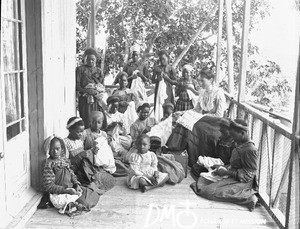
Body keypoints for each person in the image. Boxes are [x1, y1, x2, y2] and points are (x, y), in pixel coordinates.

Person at [190, 119, 259, 212]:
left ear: (242, 133)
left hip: (243, 181)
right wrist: (221, 167)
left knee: (208, 191)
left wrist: (227, 172)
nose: (233, 139)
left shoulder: (250, 150)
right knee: (202, 179)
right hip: (234, 175)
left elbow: (249, 174)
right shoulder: (240, 143)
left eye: (234, 136)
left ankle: (249, 198)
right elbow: (236, 164)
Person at [166, 68, 227, 167]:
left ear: (210, 80)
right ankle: (174, 150)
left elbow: (219, 115)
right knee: (184, 118)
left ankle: (178, 149)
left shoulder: (218, 93)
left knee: (193, 124)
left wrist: (201, 117)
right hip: (204, 119)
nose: (200, 83)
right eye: (199, 80)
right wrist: (182, 112)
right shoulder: (202, 92)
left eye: (203, 80)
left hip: (216, 123)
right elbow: (196, 110)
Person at [42, 136, 100, 210]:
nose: (55, 152)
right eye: (52, 149)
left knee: (93, 194)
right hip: (59, 192)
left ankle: (77, 201)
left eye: (57, 149)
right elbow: (49, 186)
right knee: (84, 203)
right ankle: (74, 204)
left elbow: (71, 174)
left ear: (62, 149)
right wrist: (66, 190)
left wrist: (76, 184)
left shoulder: (64, 160)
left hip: (71, 188)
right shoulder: (48, 164)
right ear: (48, 150)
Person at [64, 117, 115, 192]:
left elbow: (86, 155)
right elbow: (67, 163)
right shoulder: (65, 142)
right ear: (70, 130)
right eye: (78, 132)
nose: (81, 134)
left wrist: (92, 151)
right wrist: (81, 155)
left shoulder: (79, 141)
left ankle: (93, 182)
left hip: (85, 168)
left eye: (82, 131)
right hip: (75, 171)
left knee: (109, 179)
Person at [84, 111, 128, 177]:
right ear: (90, 122)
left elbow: (106, 148)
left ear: (102, 123)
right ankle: (102, 171)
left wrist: (109, 142)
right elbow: (82, 147)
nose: (96, 125)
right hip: (92, 157)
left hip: (104, 158)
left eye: (99, 122)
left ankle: (105, 170)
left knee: (123, 169)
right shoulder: (86, 132)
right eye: (94, 122)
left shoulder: (103, 134)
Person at [76, 48, 105, 127]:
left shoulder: (99, 71)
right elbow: (77, 86)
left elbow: (102, 87)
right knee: (86, 120)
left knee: (96, 120)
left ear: (96, 60)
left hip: (96, 100)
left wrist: (96, 92)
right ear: (85, 59)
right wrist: (87, 91)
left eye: (92, 59)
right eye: (88, 59)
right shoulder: (80, 69)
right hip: (85, 100)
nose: (90, 61)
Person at [152, 50, 177, 121]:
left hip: (168, 91)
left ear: (168, 58)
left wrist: (168, 79)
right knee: (159, 106)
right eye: (160, 59)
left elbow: (175, 82)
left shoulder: (171, 69)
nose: (162, 61)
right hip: (159, 91)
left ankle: (169, 122)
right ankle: (159, 122)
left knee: (168, 108)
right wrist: (158, 79)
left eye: (163, 59)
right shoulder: (157, 68)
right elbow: (153, 80)